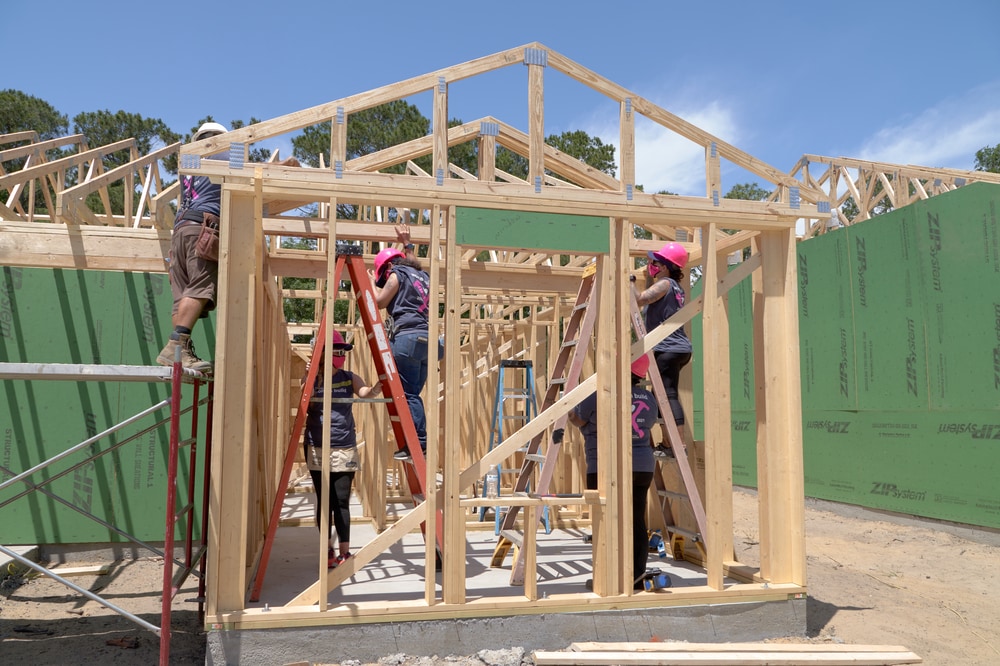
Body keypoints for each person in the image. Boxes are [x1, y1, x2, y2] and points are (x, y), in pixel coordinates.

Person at [156, 120, 299, 371]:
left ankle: (179, 351)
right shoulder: (216, 151)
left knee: (184, 295)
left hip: (181, 230)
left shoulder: (190, 164)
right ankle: (175, 346)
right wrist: (283, 165)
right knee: (200, 288)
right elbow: (249, 170)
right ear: (216, 139)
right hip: (202, 228)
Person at [569, 354, 659, 590]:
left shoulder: (600, 393)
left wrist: (574, 414)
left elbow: (578, 419)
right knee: (636, 520)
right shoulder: (648, 398)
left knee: (605, 522)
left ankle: (606, 579)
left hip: (604, 467)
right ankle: (636, 577)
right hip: (641, 466)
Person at [304, 330, 381, 568]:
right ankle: (327, 549)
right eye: (335, 351)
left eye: (342, 352)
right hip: (317, 446)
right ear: (322, 354)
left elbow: (366, 393)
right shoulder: (313, 378)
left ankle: (344, 552)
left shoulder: (349, 377)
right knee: (324, 501)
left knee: (341, 501)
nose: (340, 356)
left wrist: (380, 386)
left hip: (344, 446)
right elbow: (303, 403)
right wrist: (312, 377)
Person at [368, 224, 431, 461]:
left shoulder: (396, 274)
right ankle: (416, 441)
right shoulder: (422, 275)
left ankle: (418, 445)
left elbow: (381, 302)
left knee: (408, 394)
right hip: (426, 341)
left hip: (407, 339)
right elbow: (413, 263)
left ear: (388, 268)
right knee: (413, 393)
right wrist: (407, 243)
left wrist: (370, 283)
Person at [634, 241, 692, 457]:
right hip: (677, 348)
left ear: (666, 266)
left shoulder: (665, 284)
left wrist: (628, 280)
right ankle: (669, 444)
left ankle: (678, 446)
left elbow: (640, 299)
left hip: (667, 348)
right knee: (662, 397)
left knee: (667, 396)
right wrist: (648, 273)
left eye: (655, 262)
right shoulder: (675, 287)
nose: (651, 265)